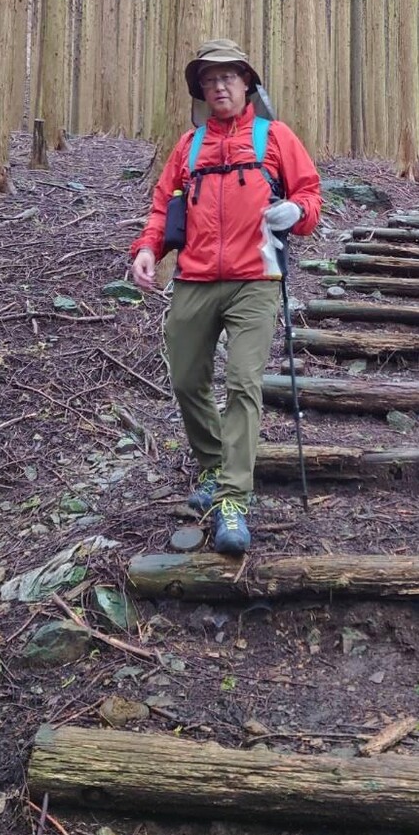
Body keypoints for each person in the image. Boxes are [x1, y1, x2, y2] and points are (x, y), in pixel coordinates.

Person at [130, 39, 322, 555]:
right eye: (210, 79)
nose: (219, 86)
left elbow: (310, 197)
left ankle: (234, 499)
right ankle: (213, 465)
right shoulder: (187, 146)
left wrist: (295, 214)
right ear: (201, 90)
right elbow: (161, 206)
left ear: (247, 85)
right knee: (186, 378)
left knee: (242, 383)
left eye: (228, 77)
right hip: (194, 278)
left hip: (255, 279)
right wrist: (147, 249)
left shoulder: (274, 137)